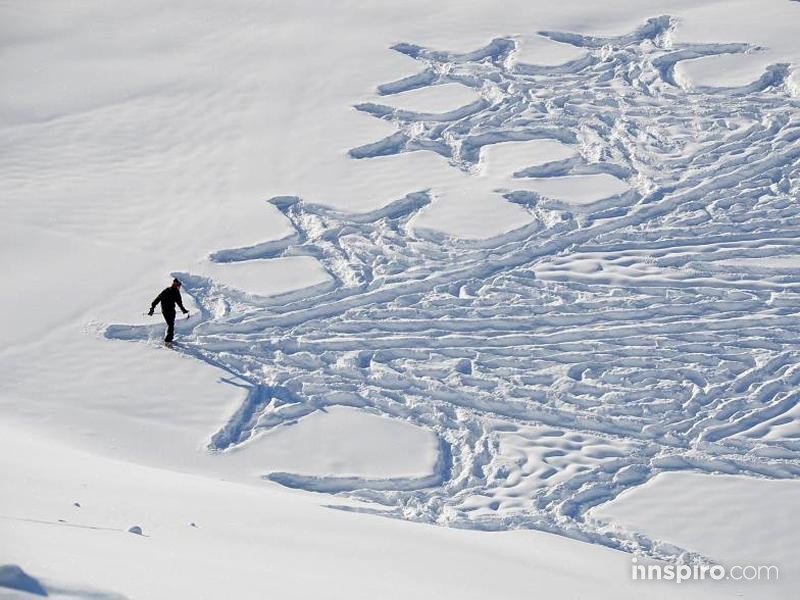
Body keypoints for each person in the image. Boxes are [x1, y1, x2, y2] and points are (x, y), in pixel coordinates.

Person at [148, 278, 189, 343]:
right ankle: (168, 340)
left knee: (171, 325)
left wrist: (152, 308)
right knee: (171, 325)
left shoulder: (166, 290)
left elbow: (158, 299)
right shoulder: (175, 292)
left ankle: (169, 339)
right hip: (170, 311)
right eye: (179, 286)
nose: (179, 288)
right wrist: (183, 310)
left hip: (165, 311)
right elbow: (179, 303)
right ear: (177, 286)